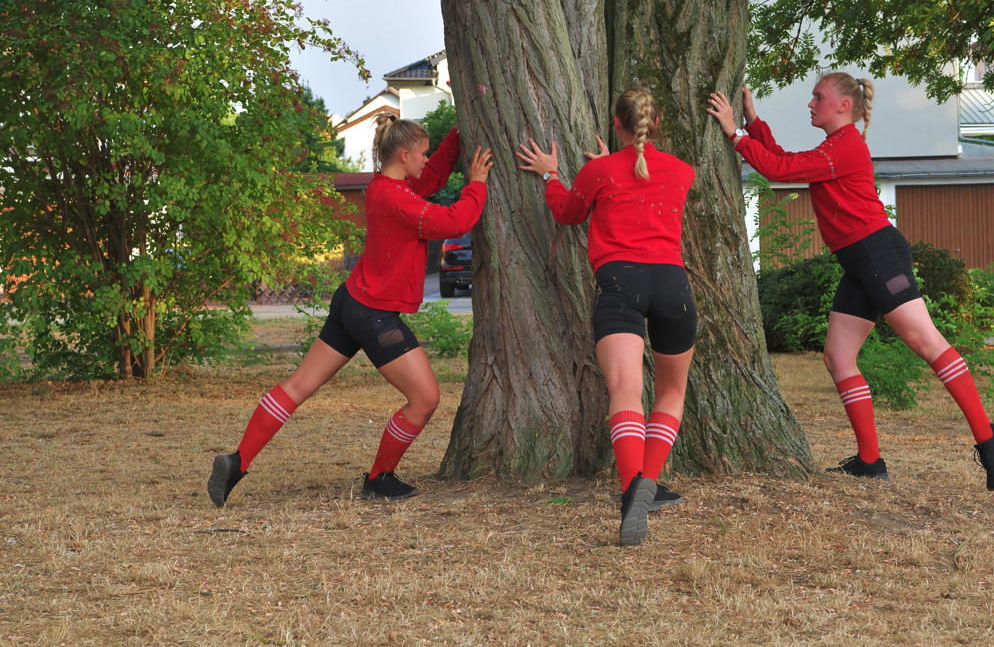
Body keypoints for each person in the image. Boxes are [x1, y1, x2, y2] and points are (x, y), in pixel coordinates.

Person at [708, 74, 994, 490]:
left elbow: (777, 167)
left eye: (819, 97)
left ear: (843, 106)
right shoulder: (832, 148)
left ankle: (988, 436)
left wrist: (734, 132)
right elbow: (783, 160)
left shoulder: (845, 146)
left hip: (878, 255)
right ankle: (870, 460)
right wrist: (755, 124)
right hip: (859, 261)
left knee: (927, 342)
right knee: (837, 356)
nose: (810, 103)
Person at [207, 114, 493, 506]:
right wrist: (476, 185)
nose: (428, 160)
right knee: (425, 398)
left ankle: (237, 461)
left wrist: (460, 132)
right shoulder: (397, 198)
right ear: (406, 155)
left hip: (352, 302)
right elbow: (455, 219)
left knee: (298, 386)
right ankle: (378, 478)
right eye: (423, 153)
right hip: (373, 315)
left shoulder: (387, 187)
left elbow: (433, 179)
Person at [515, 88, 697, 545]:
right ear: (656, 126)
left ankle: (631, 487)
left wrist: (551, 175)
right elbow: (639, 181)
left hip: (620, 284)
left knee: (625, 389)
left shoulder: (600, 171)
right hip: (672, 285)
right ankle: (649, 484)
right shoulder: (682, 171)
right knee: (672, 390)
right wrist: (609, 170)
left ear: (616, 124)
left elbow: (567, 212)